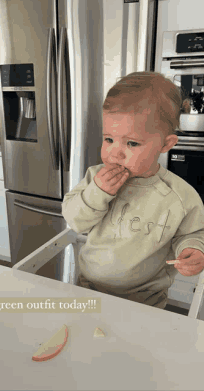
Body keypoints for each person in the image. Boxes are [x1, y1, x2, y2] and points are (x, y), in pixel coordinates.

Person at [62, 71, 204, 310]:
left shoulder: (180, 196)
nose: (115, 152)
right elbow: (75, 221)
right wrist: (97, 192)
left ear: (165, 144)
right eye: (109, 139)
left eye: (132, 143)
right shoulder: (95, 178)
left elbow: (192, 233)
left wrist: (192, 251)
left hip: (145, 298)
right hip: (88, 287)